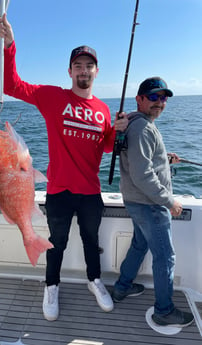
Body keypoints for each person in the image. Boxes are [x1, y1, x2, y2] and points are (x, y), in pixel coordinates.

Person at [0, 14, 128, 321]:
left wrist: (115, 130)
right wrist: (10, 44)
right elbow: (11, 85)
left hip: (91, 192)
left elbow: (105, 146)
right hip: (59, 190)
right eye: (78, 65)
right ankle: (51, 285)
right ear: (70, 71)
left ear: (96, 71)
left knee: (92, 242)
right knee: (57, 243)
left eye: (89, 65)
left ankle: (95, 281)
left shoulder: (103, 108)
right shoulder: (53, 97)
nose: (84, 70)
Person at [111, 77, 194, 327]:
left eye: (164, 97)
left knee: (139, 244)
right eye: (154, 97)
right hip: (150, 205)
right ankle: (164, 311)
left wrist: (165, 159)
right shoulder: (143, 128)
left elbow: (144, 162)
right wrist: (170, 202)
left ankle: (122, 287)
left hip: (137, 202)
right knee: (165, 257)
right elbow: (143, 175)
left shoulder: (136, 124)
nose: (160, 102)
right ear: (140, 99)